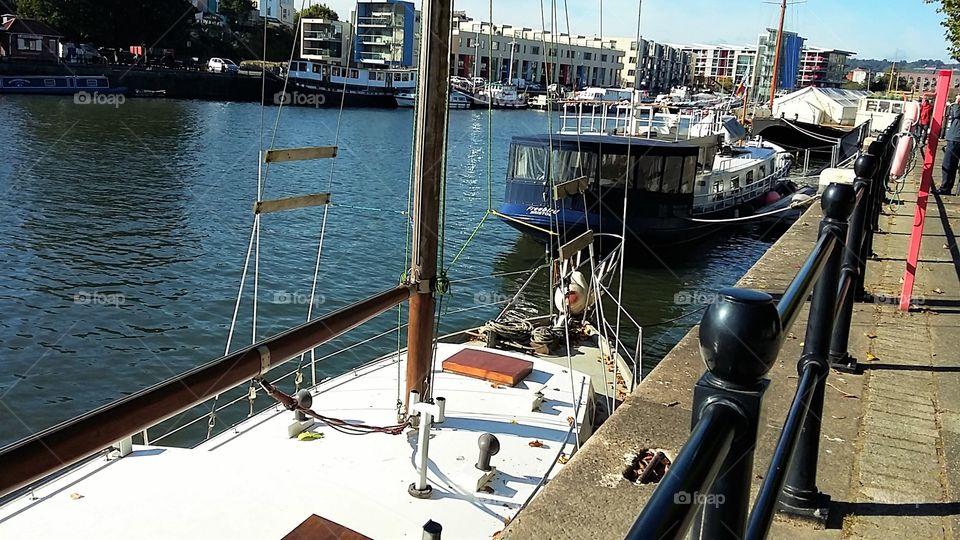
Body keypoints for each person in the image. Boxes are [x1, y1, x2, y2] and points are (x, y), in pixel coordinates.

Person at [938, 94, 960, 195]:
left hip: (955, 138)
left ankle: (945, 188)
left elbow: (956, 114)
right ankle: (950, 188)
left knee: (949, 164)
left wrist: (957, 102)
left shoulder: (957, 107)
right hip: (955, 137)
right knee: (951, 165)